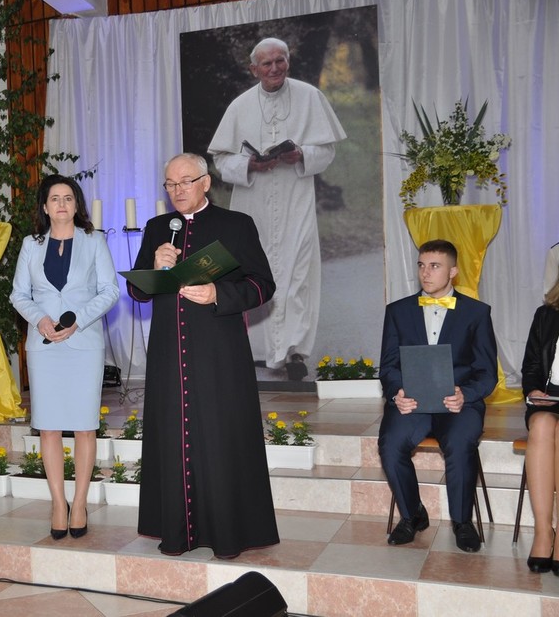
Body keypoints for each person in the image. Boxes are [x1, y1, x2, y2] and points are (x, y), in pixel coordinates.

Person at [127, 153, 278, 559]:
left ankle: (228, 534)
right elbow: (139, 292)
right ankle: (175, 533)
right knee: (174, 439)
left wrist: (218, 294)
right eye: (170, 185)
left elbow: (263, 285)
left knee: (220, 438)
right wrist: (155, 266)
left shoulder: (236, 225)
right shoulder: (159, 228)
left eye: (185, 182)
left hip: (219, 355)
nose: (177, 191)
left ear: (206, 183)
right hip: (168, 356)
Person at [207, 37, 346, 380]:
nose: (274, 69)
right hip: (252, 204)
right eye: (266, 64)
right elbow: (221, 160)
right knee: (255, 270)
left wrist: (301, 155)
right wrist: (250, 165)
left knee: (297, 273)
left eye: (279, 61)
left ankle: (294, 351)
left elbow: (327, 151)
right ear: (254, 69)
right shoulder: (240, 106)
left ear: (289, 61)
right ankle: (258, 350)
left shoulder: (310, 96)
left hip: (295, 198)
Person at [10, 174, 119, 540]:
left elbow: (109, 291)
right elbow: (18, 295)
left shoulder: (94, 240)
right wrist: (40, 321)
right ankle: (59, 502)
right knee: (50, 426)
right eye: (54, 198)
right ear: (44, 206)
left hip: (83, 343)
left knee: (85, 425)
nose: (61, 204)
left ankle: (81, 500)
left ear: (76, 205)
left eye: (68, 198)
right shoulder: (30, 243)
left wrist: (79, 321)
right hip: (44, 346)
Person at [378, 239, 498, 553]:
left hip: (459, 404)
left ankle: (462, 521)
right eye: (421, 265)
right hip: (413, 403)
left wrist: (466, 394)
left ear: (453, 271)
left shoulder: (476, 313)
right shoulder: (398, 311)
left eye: (435, 266)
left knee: (459, 444)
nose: (425, 273)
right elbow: (388, 366)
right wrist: (396, 393)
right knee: (390, 445)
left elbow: (488, 372)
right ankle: (412, 514)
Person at [520, 277, 559, 573]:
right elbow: (531, 366)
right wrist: (533, 391)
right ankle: (544, 531)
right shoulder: (546, 315)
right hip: (549, 399)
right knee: (543, 425)